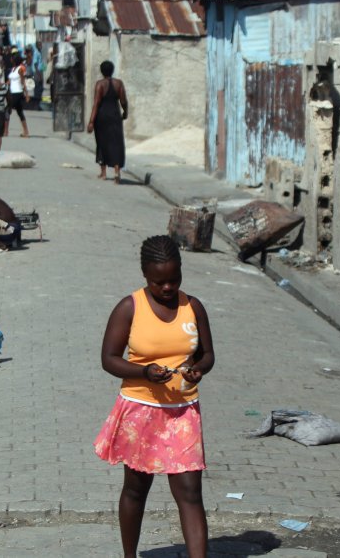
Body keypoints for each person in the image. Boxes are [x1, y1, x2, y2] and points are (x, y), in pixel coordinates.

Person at [95, 235, 215, 558]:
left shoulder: (194, 307)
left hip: (184, 411)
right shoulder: (129, 307)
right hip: (141, 411)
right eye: (158, 281)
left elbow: (207, 356)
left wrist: (198, 369)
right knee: (136, 489)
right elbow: (109, 358)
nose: (167, 287)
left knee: (190, 492)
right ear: (145, 276)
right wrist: (144, 371)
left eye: (174, 279)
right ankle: (130, 556)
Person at [88, 60, 128, 183]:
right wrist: (125, 112)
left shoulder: (100, 84)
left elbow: (96, 103)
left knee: (101, 143)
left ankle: (103, 173)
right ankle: (117, 172)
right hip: (115, 116)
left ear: (101, 71)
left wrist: (91, 121)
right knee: (116, 143)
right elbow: (123, 101)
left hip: (102, 117)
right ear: (112, 70)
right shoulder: (119, 83)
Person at [5, 52, 30, 138]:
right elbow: (9, 81)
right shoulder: (13, 69)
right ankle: (26, 132)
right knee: (19, 112)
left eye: (12, 58)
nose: (10, 59)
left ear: (15, 60)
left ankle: (5, 131)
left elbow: (23, 81)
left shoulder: (20, 69)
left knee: (7, 110)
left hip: (18, 93)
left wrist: (26, 94)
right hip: (12, 92)